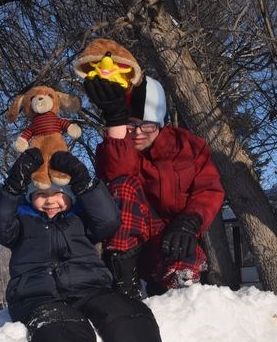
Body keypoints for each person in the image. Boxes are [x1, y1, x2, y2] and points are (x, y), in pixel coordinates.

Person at [0, 147, 203, 342]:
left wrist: (86, 182)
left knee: (126, 313)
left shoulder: (80, 219)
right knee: (58, 322)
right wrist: (11, 186)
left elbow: (109, 219)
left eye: (57, 194)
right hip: (39, 294)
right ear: (29, 198)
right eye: (41, 195)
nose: (50, 202)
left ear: (69, 196)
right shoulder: (20, 223)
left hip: (90, 287)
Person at [83, 72, 225, 299]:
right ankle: (124, 284)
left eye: (147, 126)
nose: (138, 133)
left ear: (161, 123)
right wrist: (116, 124)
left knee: (183, 270)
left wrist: (190, 221)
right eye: (131, 125)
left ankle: (181, 297)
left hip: (174, 236)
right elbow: (118, 177)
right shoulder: (115, 149)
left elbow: (208, 188)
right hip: (131, 244)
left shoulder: (188, 147)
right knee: (123, 185)